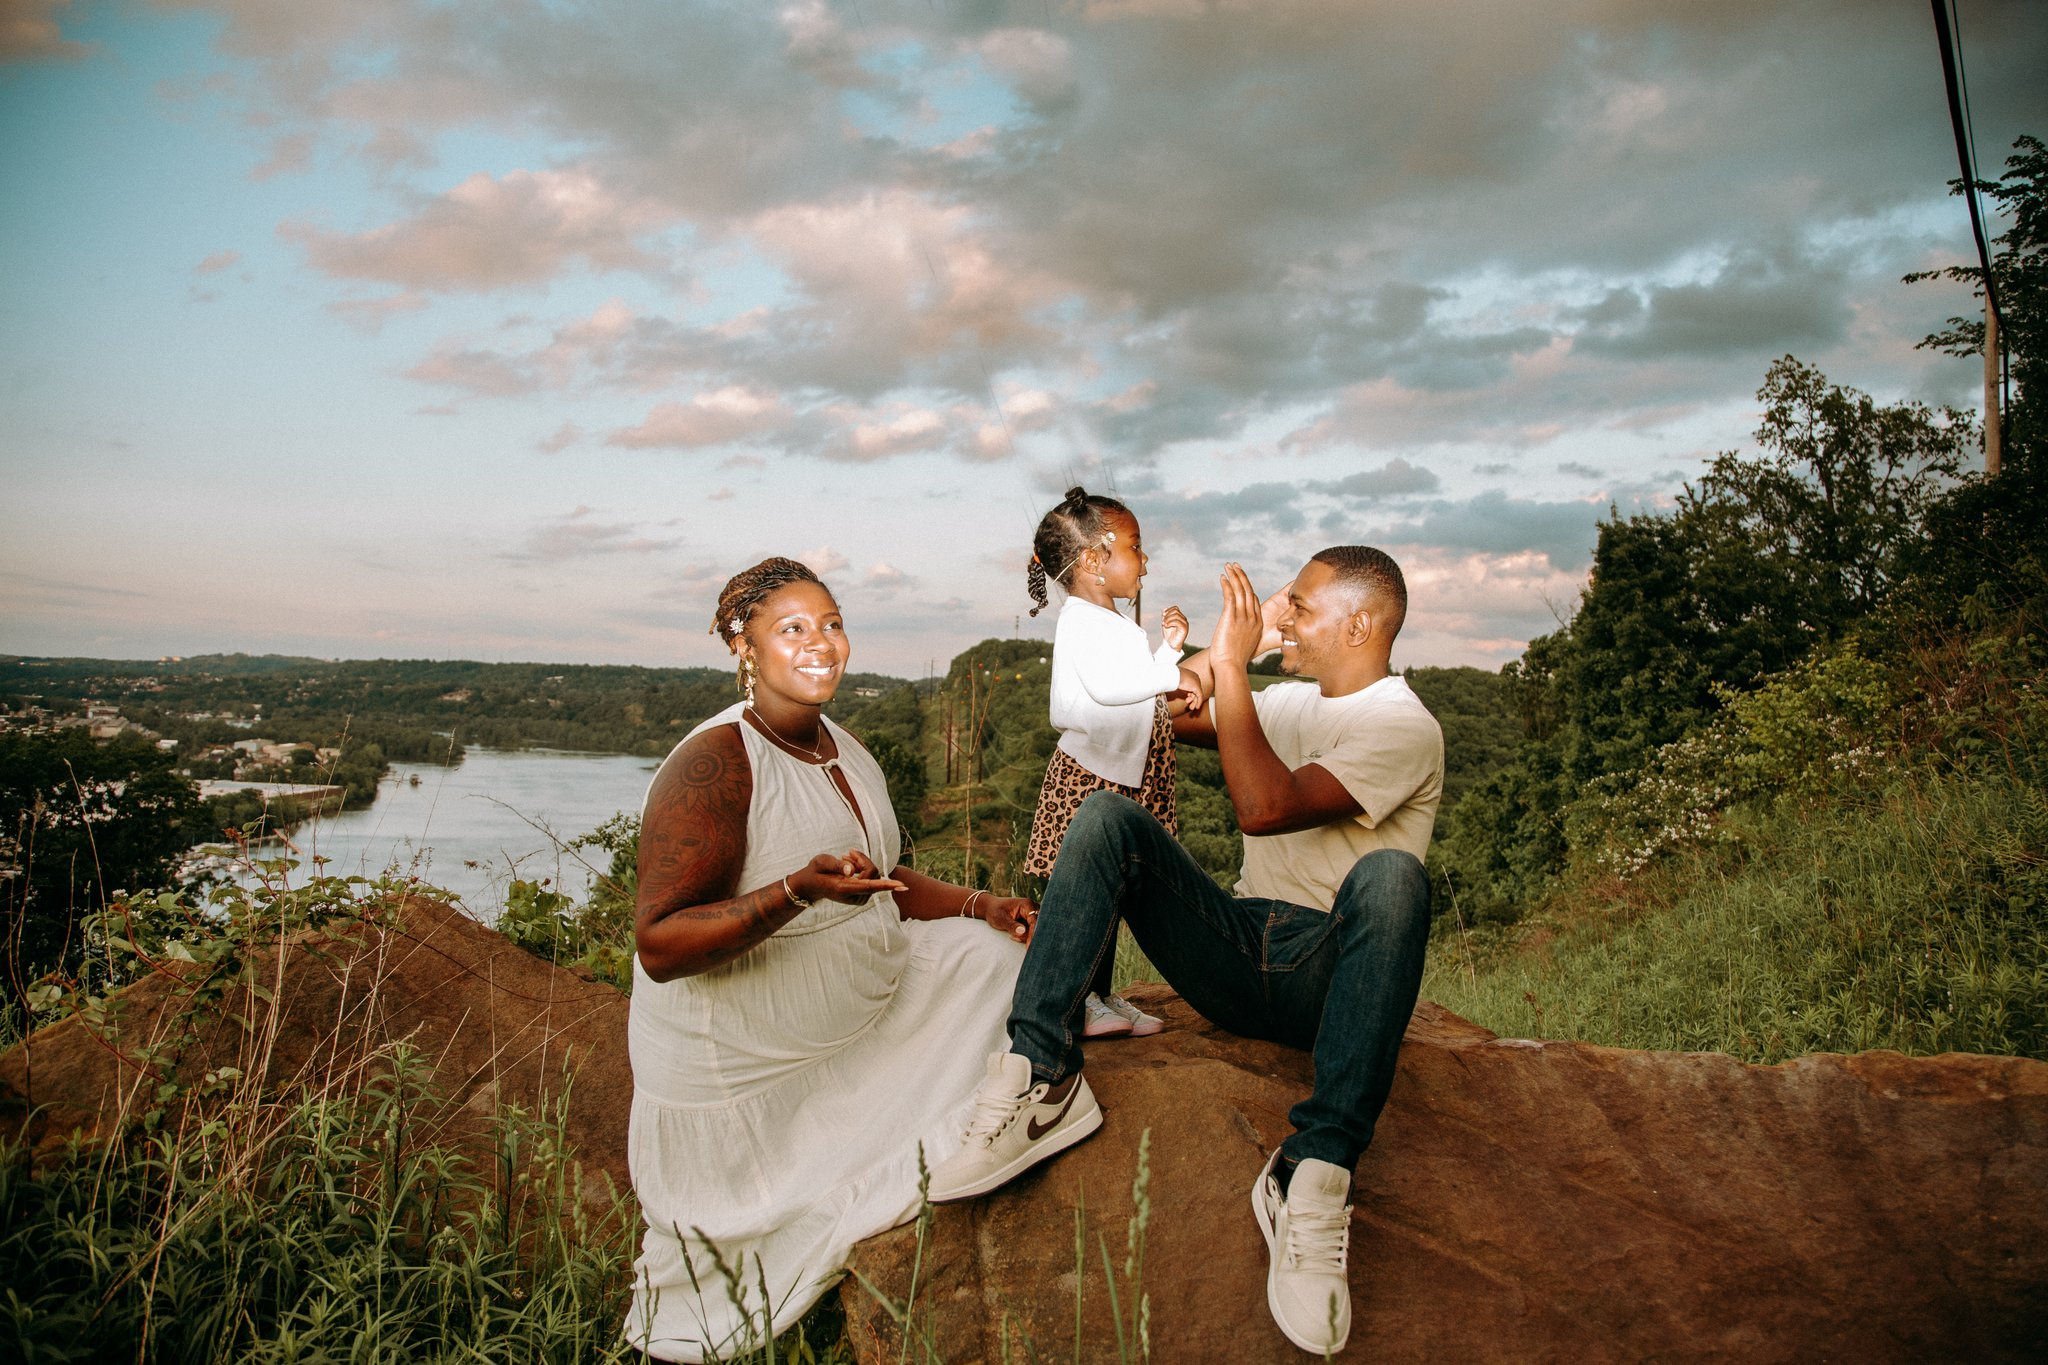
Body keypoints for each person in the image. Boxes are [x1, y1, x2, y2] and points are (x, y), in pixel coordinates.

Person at [927, 546, 1443, 1357]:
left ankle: (1313, 1170)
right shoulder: (1294, 701)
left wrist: (1234, 667)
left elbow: (1264, 805)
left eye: (1301, 606)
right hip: (1235, 949)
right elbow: (1157, 708)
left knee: (1393, 878)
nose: (1286, 616)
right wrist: (1242, 645)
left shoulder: (1404, 725)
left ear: (1362, 624)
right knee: (1103, 818)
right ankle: (1040, 1074)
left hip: (1330, 974)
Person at [624, 556, 1039, 1363]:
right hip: (752, 1053)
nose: (822, 643)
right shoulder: (715, 764)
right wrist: (795, 892)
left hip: (862, 1000)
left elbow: (884, 875)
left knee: (1000, 955)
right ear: (745, 646)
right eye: (793, 628)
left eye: (833, 622)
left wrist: (981, 903)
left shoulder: (843, 746)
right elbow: (660, 944)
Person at [1020, 486, 1206, 1040]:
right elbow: (1107, 687)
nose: (1145, 560)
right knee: (1082, 897)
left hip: (1125, 776)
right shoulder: (1081, 620)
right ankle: (1077, 1001)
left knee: (1110, 891)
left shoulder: (1113, 623)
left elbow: (1132, 685)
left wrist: (1169, 650)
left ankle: (1099, 995)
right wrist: (1176, 675)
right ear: (1096, 562)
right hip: (1091, 778)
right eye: (1136, 546)